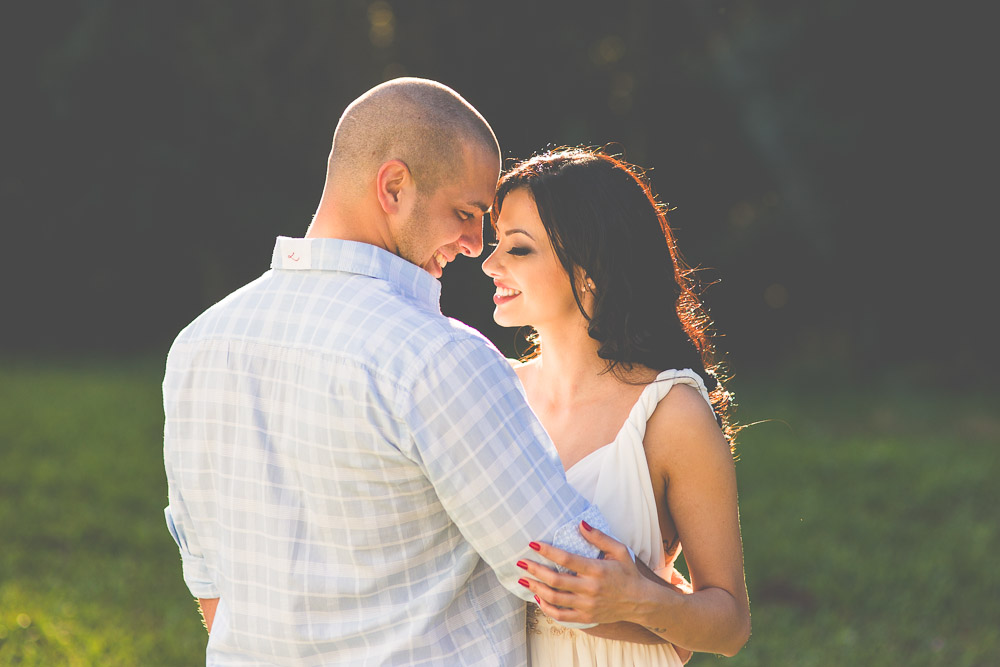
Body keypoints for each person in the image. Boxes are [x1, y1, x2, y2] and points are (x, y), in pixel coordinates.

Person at [162, 79, 621, 665]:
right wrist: (696, 611)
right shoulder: (439, 358)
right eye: (465, 212)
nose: (477, 244)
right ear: (395, 186)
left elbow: (211, 587)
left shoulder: (197, 346)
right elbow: (571, 572)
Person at [481, 148, 751, 665]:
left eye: (517, 249)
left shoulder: (670, 413)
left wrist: (642, 599)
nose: (490, 264)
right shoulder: (495, 392)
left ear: (589, 269)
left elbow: (730, 625)